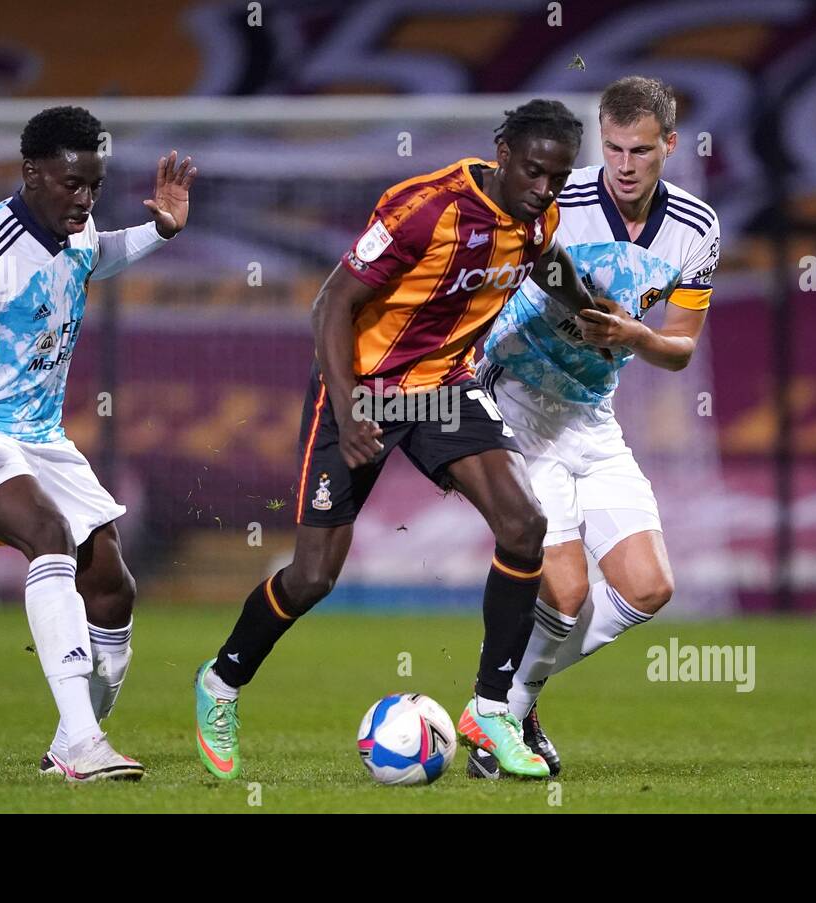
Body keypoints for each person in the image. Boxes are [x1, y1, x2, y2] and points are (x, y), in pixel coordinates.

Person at [193, 100, 609, 781]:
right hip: (359, 387)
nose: (544, 189)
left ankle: (490, 708)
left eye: (558, 178)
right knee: (314, 575)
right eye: (534, 172)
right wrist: (353, 406)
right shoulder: (424, 208)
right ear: (502, 151)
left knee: (524, 523)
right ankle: (221, 680)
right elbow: (331, 303)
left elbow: (548, 262)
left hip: (443, 386)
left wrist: (595, 311)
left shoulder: (540, 217)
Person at [0, 106, 195, 782]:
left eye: (94, 185)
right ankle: (84, 744)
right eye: (72, 184)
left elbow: (96, 257)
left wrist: (159, 231)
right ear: (32, 173)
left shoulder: (77, 224)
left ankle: (74, 737)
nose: (85, 199)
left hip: (41, 436)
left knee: (112, 588)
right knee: (47, 532)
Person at [470, 77, 721, 778]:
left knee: (647, 586)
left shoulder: (697, 228)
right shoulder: (557, 201)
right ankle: (500, 716)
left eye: (641, 149)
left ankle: (506, 703)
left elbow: (680, 349)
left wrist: (634, 333)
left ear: (669, 145)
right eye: (612, 146)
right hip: (517, 405)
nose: (624, 163)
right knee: (568, 590)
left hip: (590, 414)